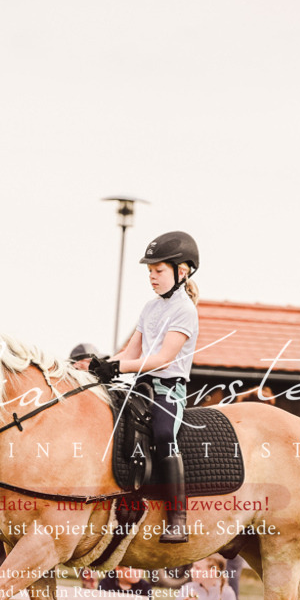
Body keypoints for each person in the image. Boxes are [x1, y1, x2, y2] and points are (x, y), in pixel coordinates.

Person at [89, 231, 200, 543]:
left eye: (158, 271)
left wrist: (120, 366)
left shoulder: (185, 310)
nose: (152, 277)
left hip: (169, 390)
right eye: (150, 271)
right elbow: (131, 353)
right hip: (141, 385)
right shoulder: (150, 308)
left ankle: (178, 518)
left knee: (164, 434)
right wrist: (103, 363)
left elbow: (164, 358)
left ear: (182, 271)